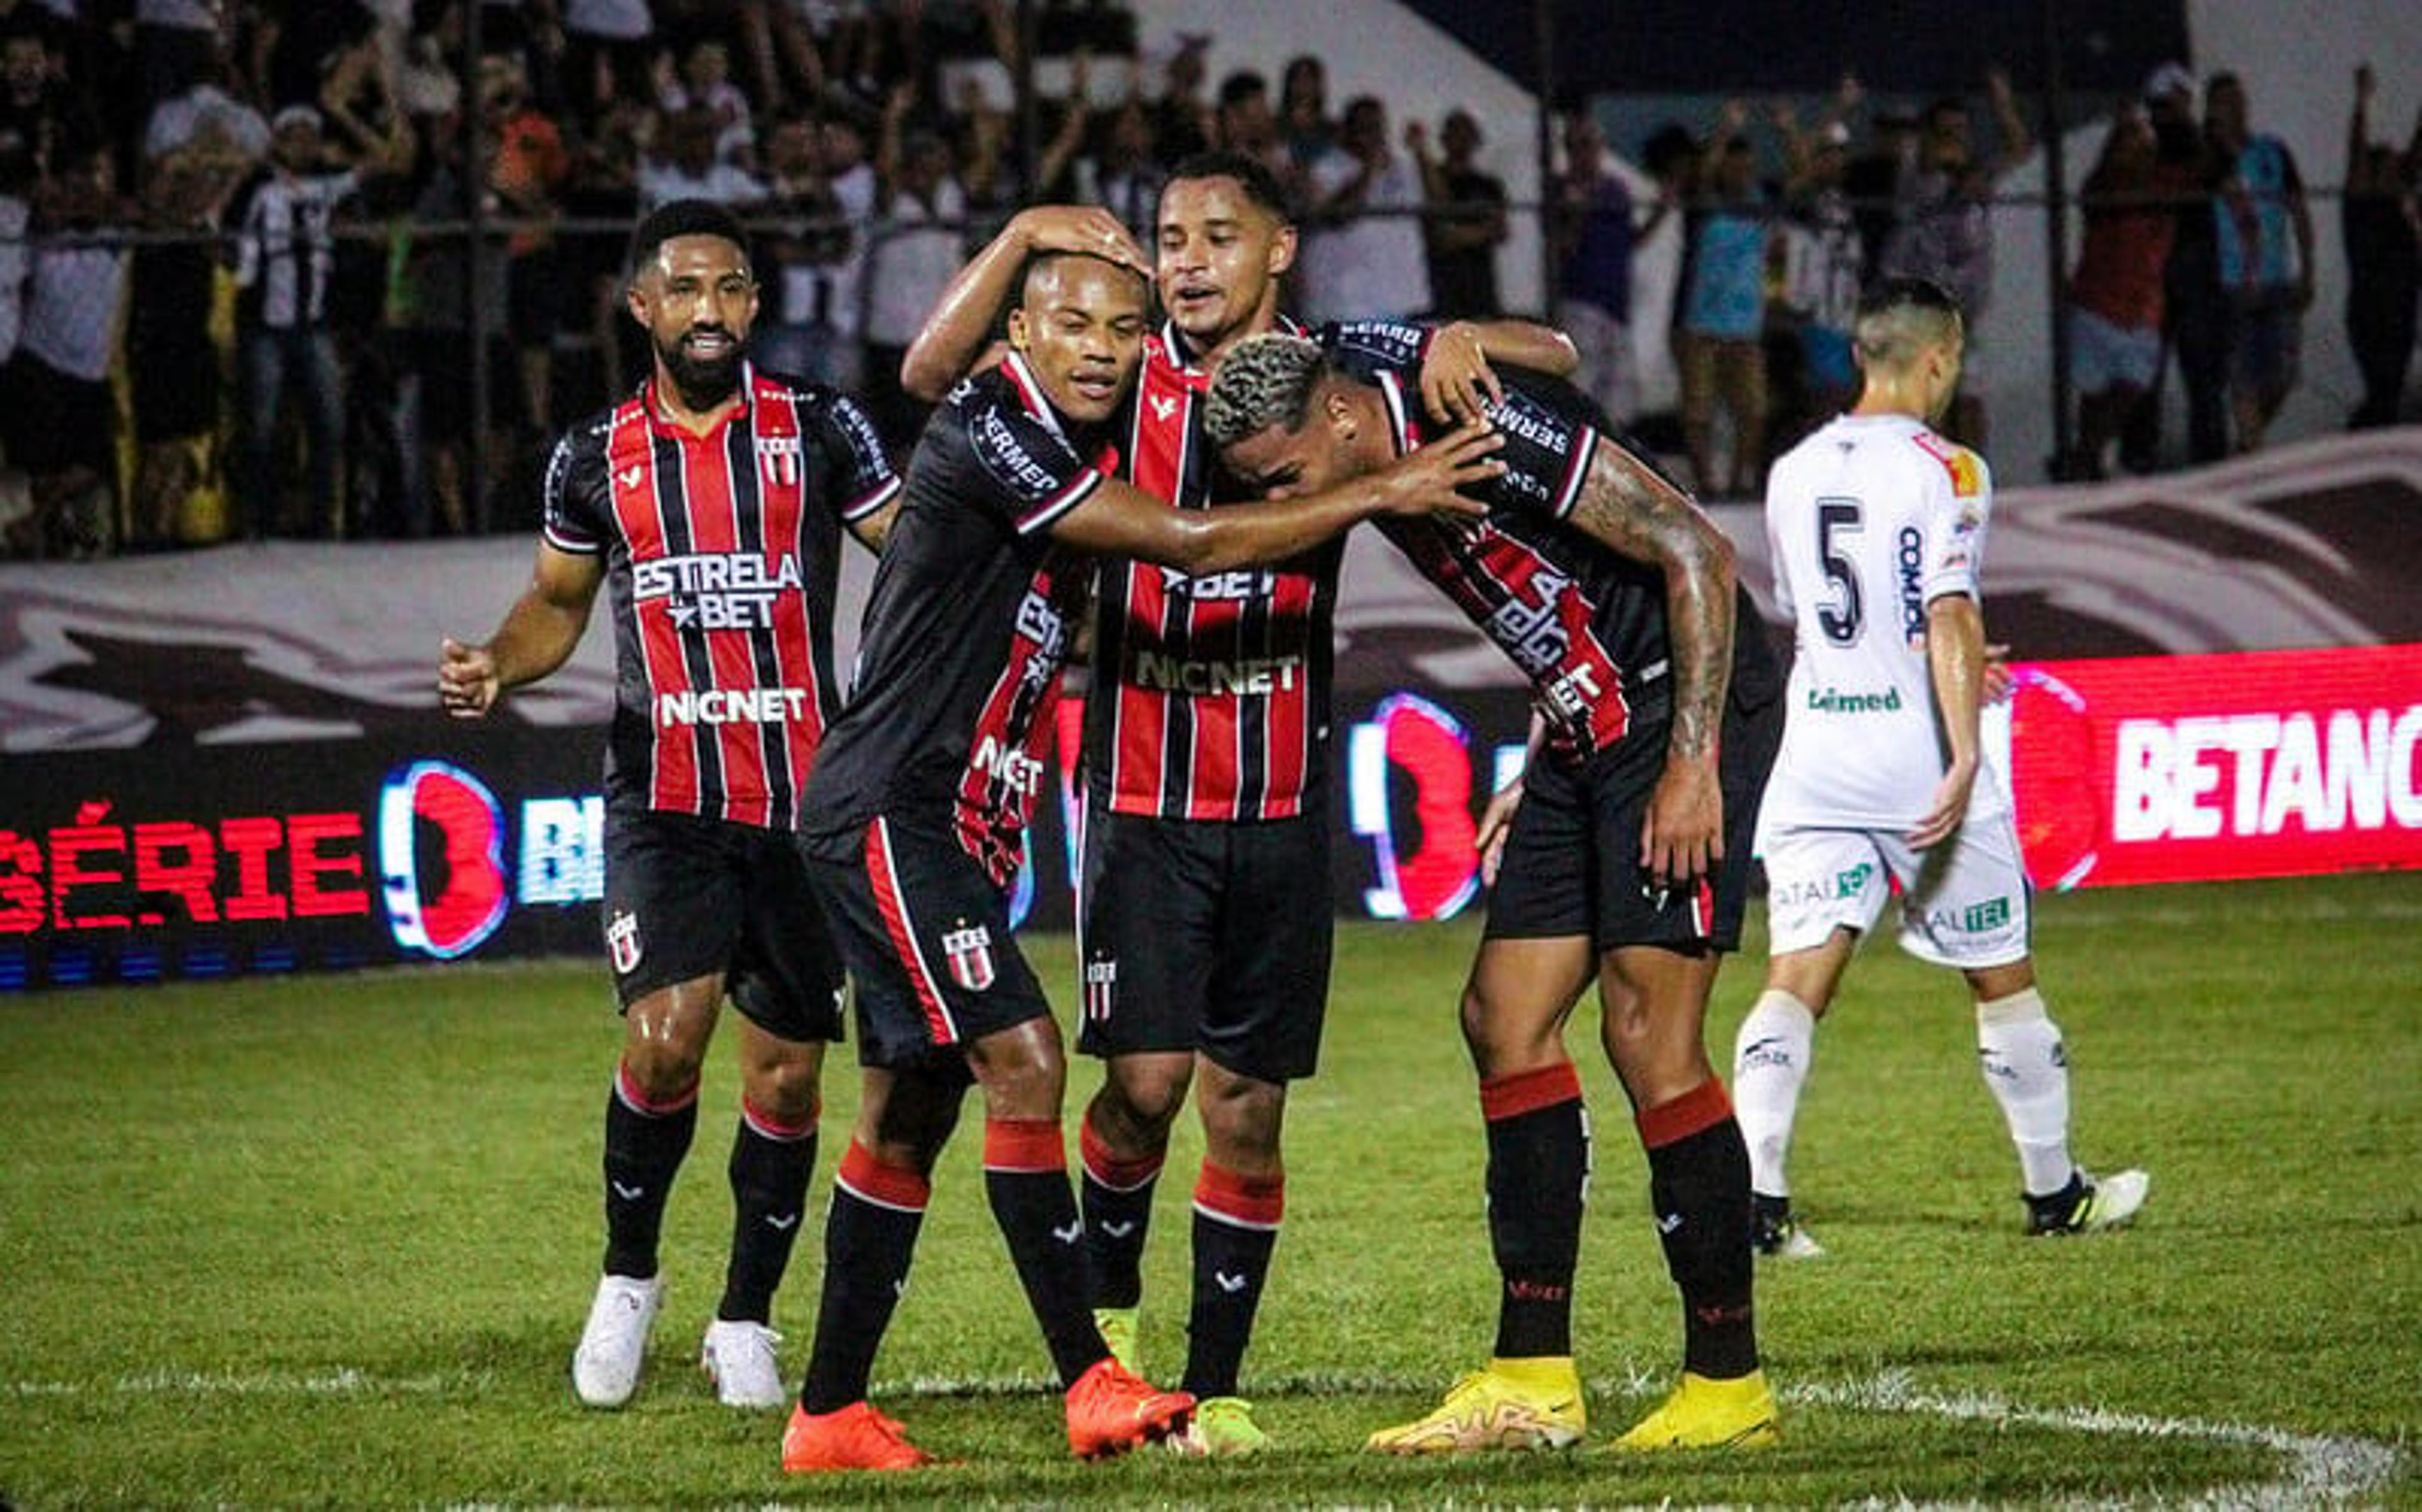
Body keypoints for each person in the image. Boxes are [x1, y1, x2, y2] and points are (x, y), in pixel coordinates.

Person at [778, 246, 1505, 1474]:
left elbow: (1338, 356)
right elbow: (1188, 542)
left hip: (944, 810)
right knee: (1026, 1056)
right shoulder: (995, 423)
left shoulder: (1065, 440)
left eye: (1123, 324)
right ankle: (1092, 1377)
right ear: (1019, 330)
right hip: (885, 802)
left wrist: (1435, 338)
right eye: (1072, 322)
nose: (1105, 345)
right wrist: (1383, 491)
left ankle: (830, 1414)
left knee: (915, 1106)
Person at [1205, 329, 1787, 1456]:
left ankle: (1728, 1381)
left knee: (1649, 1033)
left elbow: (1694, 550)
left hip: (1674, 711)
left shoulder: (1484, 430)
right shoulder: (1361, 379)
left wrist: (1691, 761)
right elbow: (1552, 545)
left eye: (1284, 480)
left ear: (1337, 421)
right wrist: (1551, 723)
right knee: (1503, 1020)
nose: (1284, 506)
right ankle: (1532, 1374)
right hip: (1583, 722)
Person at [435, 199, 903, 1414]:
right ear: (640, 306)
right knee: (663, 1038)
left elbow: (910, 548)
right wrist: (499, 656)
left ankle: (743, 1316)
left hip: (807, 801)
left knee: (791, 1079)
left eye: (732, 289)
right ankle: (627, 1281)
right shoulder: (594, 454)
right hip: (665, 792)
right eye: (686, 290)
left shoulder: (820, 428)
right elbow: (555, 602)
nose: (711, 312)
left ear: (754, 304)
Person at [1729, 277, 2150, 1261]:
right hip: (1913, 757)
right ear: (1939, 358)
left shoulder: (1792, 468)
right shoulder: (1949, 467)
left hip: (1816, 749)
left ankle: (1757, 1200)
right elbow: (1946, 611)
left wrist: (1948, 662)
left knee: (1797, 972)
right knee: (2002, 975)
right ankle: (2055, 1193)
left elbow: (1834, 615)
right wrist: (1964, 751)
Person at [2206, 73, 2313, 453]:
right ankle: (2252, 451)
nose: (2233, 107)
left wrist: (2308, 270)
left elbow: (2298, 211)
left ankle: (2248, 443)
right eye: (2223, 101)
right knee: (2244, 376)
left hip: (2277, 279)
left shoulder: (2273, 150)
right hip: (2234, 285)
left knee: (2282, 375)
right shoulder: (2209, 158)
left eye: (2237, 99)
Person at [2342, 63, 2418, 431]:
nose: (2397, 165)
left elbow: (2419, 149)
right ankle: (2362, 444)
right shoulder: (2362, 206)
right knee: (2383, 392)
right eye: (2388, 161)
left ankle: (2372, 442)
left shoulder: (2405, 212)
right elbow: (2357, 151)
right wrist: (2362, 102)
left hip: (2401, 309)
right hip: (2372, 311)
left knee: (2390, 391)